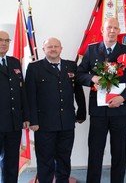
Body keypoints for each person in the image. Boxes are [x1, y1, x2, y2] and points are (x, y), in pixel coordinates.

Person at [77, 17, 126, 183]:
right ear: (102, 30)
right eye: (108, 28)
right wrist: (92, 78)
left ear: (119, 31)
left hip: (120, 110)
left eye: (115, 28)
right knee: (95, 151)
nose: (112, 31)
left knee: (119, 152)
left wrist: (123, 98)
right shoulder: (91, 51)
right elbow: (79, 74)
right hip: (98, 111)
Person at [25, 37, 86, 183]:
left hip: (67, 122)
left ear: (61, 49)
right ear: (43, 49)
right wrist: (33, 120)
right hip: (44, 124)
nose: (53, 49)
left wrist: (81, 112)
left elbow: (78, 91)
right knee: (45, 159)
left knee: (64, 157)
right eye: (49, 47)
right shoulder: (35, 68)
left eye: (56, 46)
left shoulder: (71, 66)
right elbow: (30, 96)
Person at [0, 30, 29, 183]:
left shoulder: (14, 62)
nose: (4, 43)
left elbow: (21, 91)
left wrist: (25, 116)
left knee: (11, 162)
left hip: (13, 123)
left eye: (7, 40)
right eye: (0, 40)